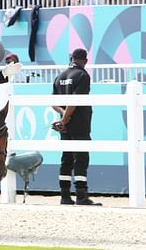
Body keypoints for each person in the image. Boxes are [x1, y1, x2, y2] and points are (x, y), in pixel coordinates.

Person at [52, 48, 101, 206]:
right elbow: (76, 101)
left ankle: (65, 196)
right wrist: (66, 119)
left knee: (66, 159)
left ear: (71, 58)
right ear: (85, 61)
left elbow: (54, 103)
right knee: (81, 159)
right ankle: (81, 196)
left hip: (64, 127)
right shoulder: (83, 75)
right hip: (79, 124)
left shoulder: (60, 76)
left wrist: (63, 118)